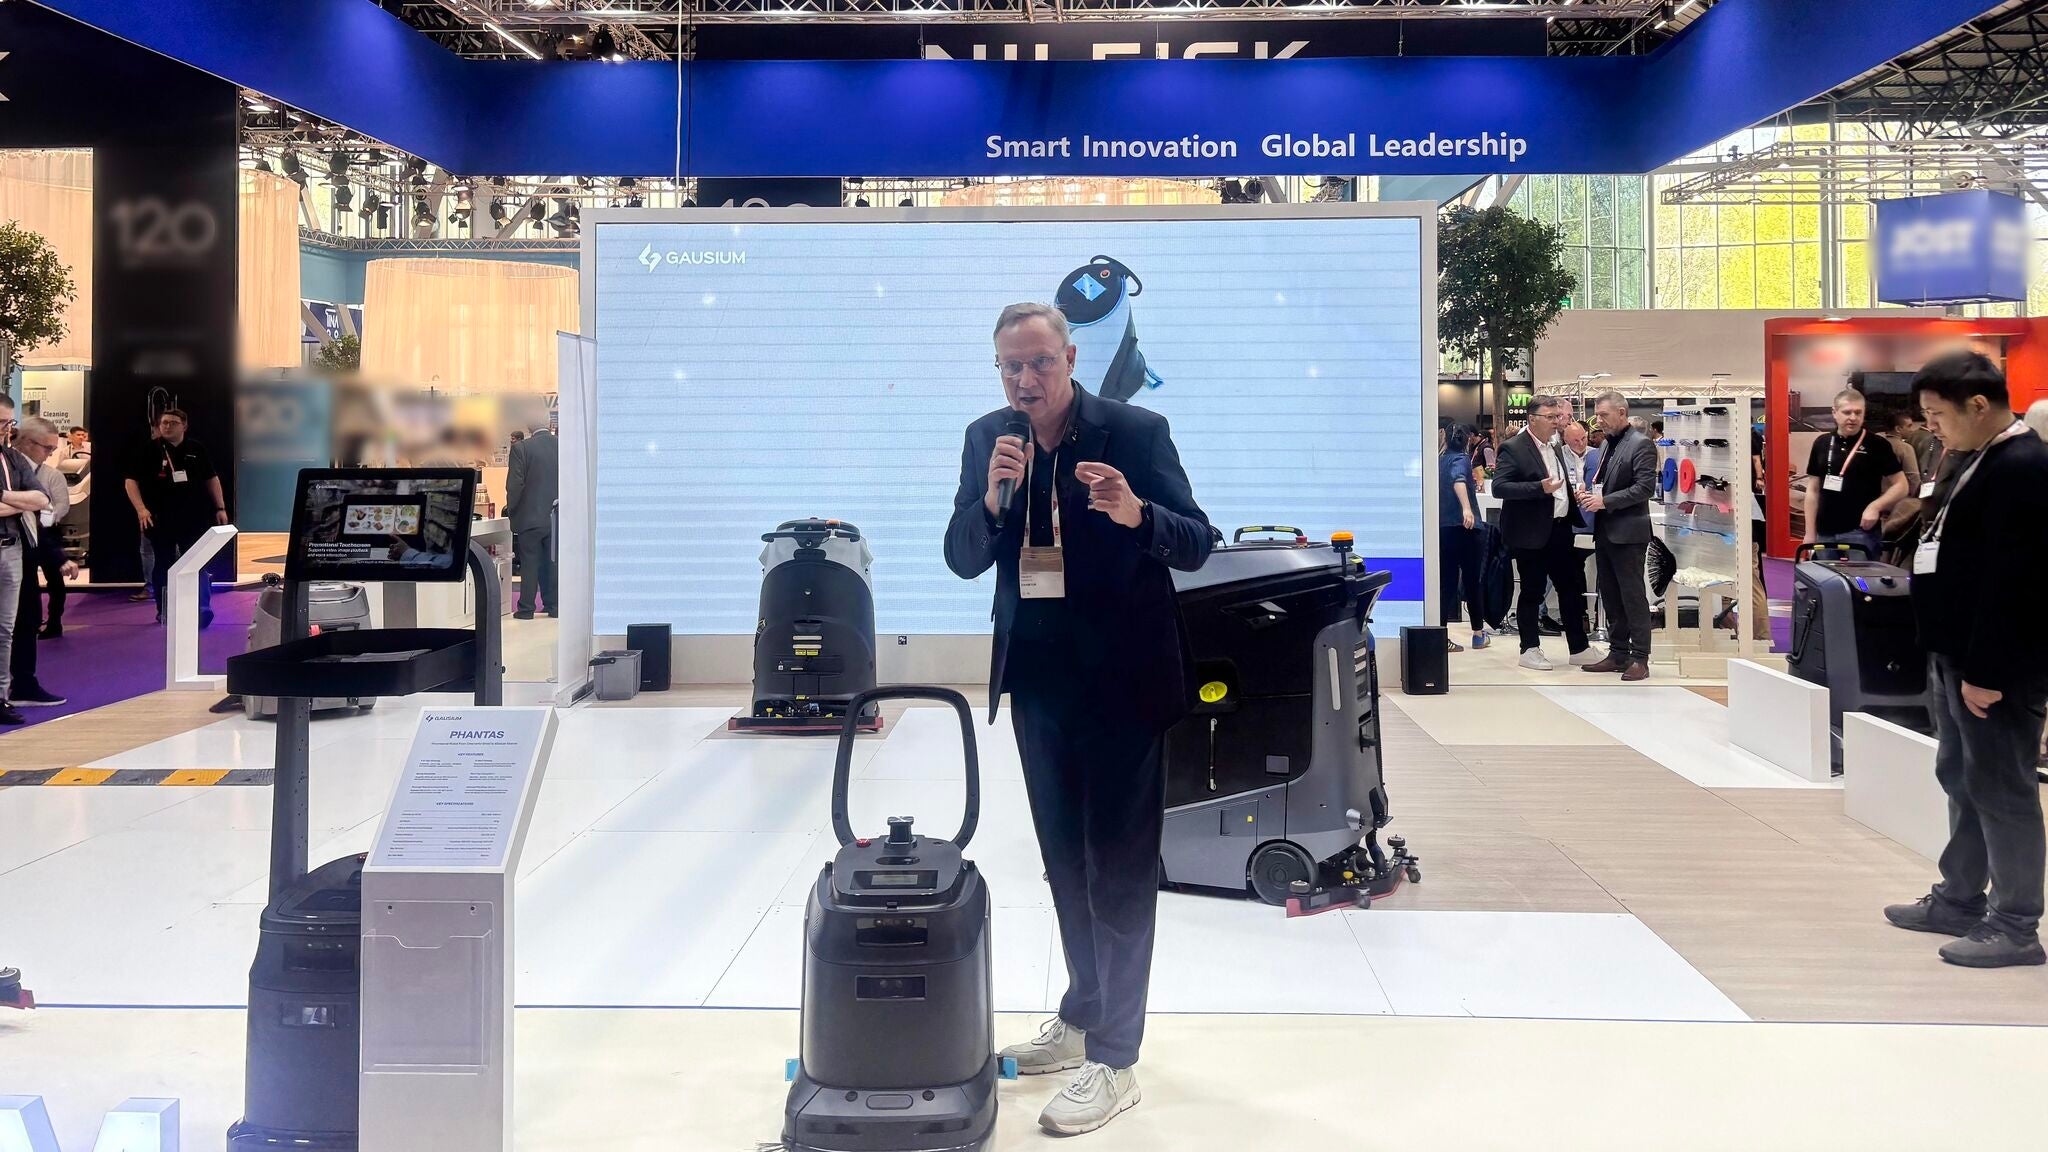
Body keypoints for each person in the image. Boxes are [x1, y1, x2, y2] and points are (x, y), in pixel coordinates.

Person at [945, 301, 1211, 1136]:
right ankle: (1084, 1011)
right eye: (1010, 366)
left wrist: (1138, 514)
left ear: (1069, 358)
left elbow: (1197, 541)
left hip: (1124, 685)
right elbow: (960, 556)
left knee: (1119, 873)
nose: (1025, 380)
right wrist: (994, 503)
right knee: (1065, 863)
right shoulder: (988, 438)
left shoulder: (1134, 432)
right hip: (1039, 683)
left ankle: (1116, 1058)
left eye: (1039, 363)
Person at [1882, 351, 2048, 969]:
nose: (1931, 426)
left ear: (1978, 405)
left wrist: (1988, 672)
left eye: (1937, 414)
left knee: (2002, 787)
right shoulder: (1977, 457)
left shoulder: (2024, 465)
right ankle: (1959, 897)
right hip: (1955, 654)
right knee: (1962, 776)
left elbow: (2018, 584)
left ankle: (2015, 923)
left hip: (1994, 667)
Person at [1491, 395, 1594, 670]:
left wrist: (1570, 495)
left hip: (1560, 529)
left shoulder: (1555, 446)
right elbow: (1499, 487)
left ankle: (1579, 647)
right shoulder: (1513, 448)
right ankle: (1529, 648)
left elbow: (1557, 483)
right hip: (1531, 533)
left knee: (1570, 588)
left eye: (1557, 417)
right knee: (1533, 590)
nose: (1556, 422)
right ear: (1532, 419)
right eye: (1550, 417)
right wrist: (1539, 488)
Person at [1578, 391, 1657, 681]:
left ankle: (1640, 657)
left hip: (1629, 533)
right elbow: (1606, 482)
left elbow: (1644, 488)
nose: (1598, 421)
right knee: (1610, 595)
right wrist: (1590, 494)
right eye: (1597, 415)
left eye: (1604, 415)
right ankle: (1618, 652)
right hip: (1606, 531)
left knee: (1632, 596)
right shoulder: (1606, 444)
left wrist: (1605, 501)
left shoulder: (1641, 444)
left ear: (1622, 412)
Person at [124, 409, 229, 626]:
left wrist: (220, 507)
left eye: (173, 422)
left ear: (184, 426)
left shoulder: (196, 449)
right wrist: (141, 509)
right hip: (159, 518)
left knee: (197, 561)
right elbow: (130, 481)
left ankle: (201, 608)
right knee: (163, 562)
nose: (167, 426)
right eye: (164, 423)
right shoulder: (149, 450)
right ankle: (165, 610)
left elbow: (211, 478)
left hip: (193, 517)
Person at [8, 417, 74, 707]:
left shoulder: (42, 474)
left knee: (27, 617)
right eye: (47, 448)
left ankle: (22, 683)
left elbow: (40, 514)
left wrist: (58, 557)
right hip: (12, 551)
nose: (50, 454)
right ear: (26, 442)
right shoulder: (11, 467)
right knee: (16, 621)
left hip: (29, 550)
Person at [1801, 387, 1907, 561]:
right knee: (1826, 577)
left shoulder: (1877, 444)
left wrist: (1876, 506)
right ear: (1834, 413)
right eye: (1847, 412)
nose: (1853, 417)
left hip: (1861, 531)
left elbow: (1901, 485)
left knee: (1862, 578)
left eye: (1858, 413)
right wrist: (1809, 532)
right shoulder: (1822, 443)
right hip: (1825, 532)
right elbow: (1813, 490)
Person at [0, 394, 52, 726]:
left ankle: (1, 696)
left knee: (6, 628)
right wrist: (20, 503)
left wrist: (4, 496)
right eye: (1, 422)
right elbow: (29, 501)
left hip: (12, 549)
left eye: (8, 422)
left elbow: (40, 499)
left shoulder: (12, 458)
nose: (6, 429)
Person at [1437, 423, 1488, 653]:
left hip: (1443, 528)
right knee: (1472, 581)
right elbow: (1458, 480)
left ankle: (1439, 634)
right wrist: (1466, 508)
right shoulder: (1461, 458)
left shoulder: (1438, 460)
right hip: (1466, 528)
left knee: (1446, 583)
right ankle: (1478, 633)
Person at [505, 420, 559, 620]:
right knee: (552, 563)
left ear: (529, 427)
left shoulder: (521, 449)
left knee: (529, 563)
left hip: (530, 517)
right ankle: (554, 605)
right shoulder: (563, 445)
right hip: (557, 515)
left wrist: (512, 510)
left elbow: (515, 485)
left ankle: (526, 608)